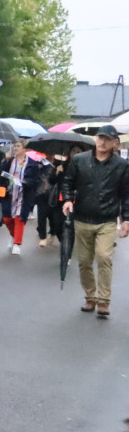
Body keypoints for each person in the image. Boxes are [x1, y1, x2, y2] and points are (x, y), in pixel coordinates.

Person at [61, 125, 129, 318]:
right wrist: (67, 199)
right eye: (100, 138)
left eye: (107, 139)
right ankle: (90, 296)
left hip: (107, 219)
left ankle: (104, 300)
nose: (102, 142)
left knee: (104, 257)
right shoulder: (79, 160)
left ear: (115, 143)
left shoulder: (121, 166)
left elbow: (126, 194)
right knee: (83, 261)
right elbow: (68, 182)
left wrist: (126, 220)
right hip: (82, 218)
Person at [0, 139, 40, 256]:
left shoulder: (32, 163)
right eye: (14, 146)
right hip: (9, 193)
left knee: (19, 218)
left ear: (25, 149)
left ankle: (17, 243)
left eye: (18, 146)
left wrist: (25, 181)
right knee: (6, 218)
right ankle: (13, 235)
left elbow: (36, 180)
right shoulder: (9, 161)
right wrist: (4, 161)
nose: (15, 148)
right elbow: (0, 173)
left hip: (23, 195)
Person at [35, 153, 59, 247]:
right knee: (41, 216)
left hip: (53, 194)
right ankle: (42, 237)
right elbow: (36, 174)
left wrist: (57, 172)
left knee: (53, 217)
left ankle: (52, 233)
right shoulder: (40, 163)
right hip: (41, 193)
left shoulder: (58, 164)